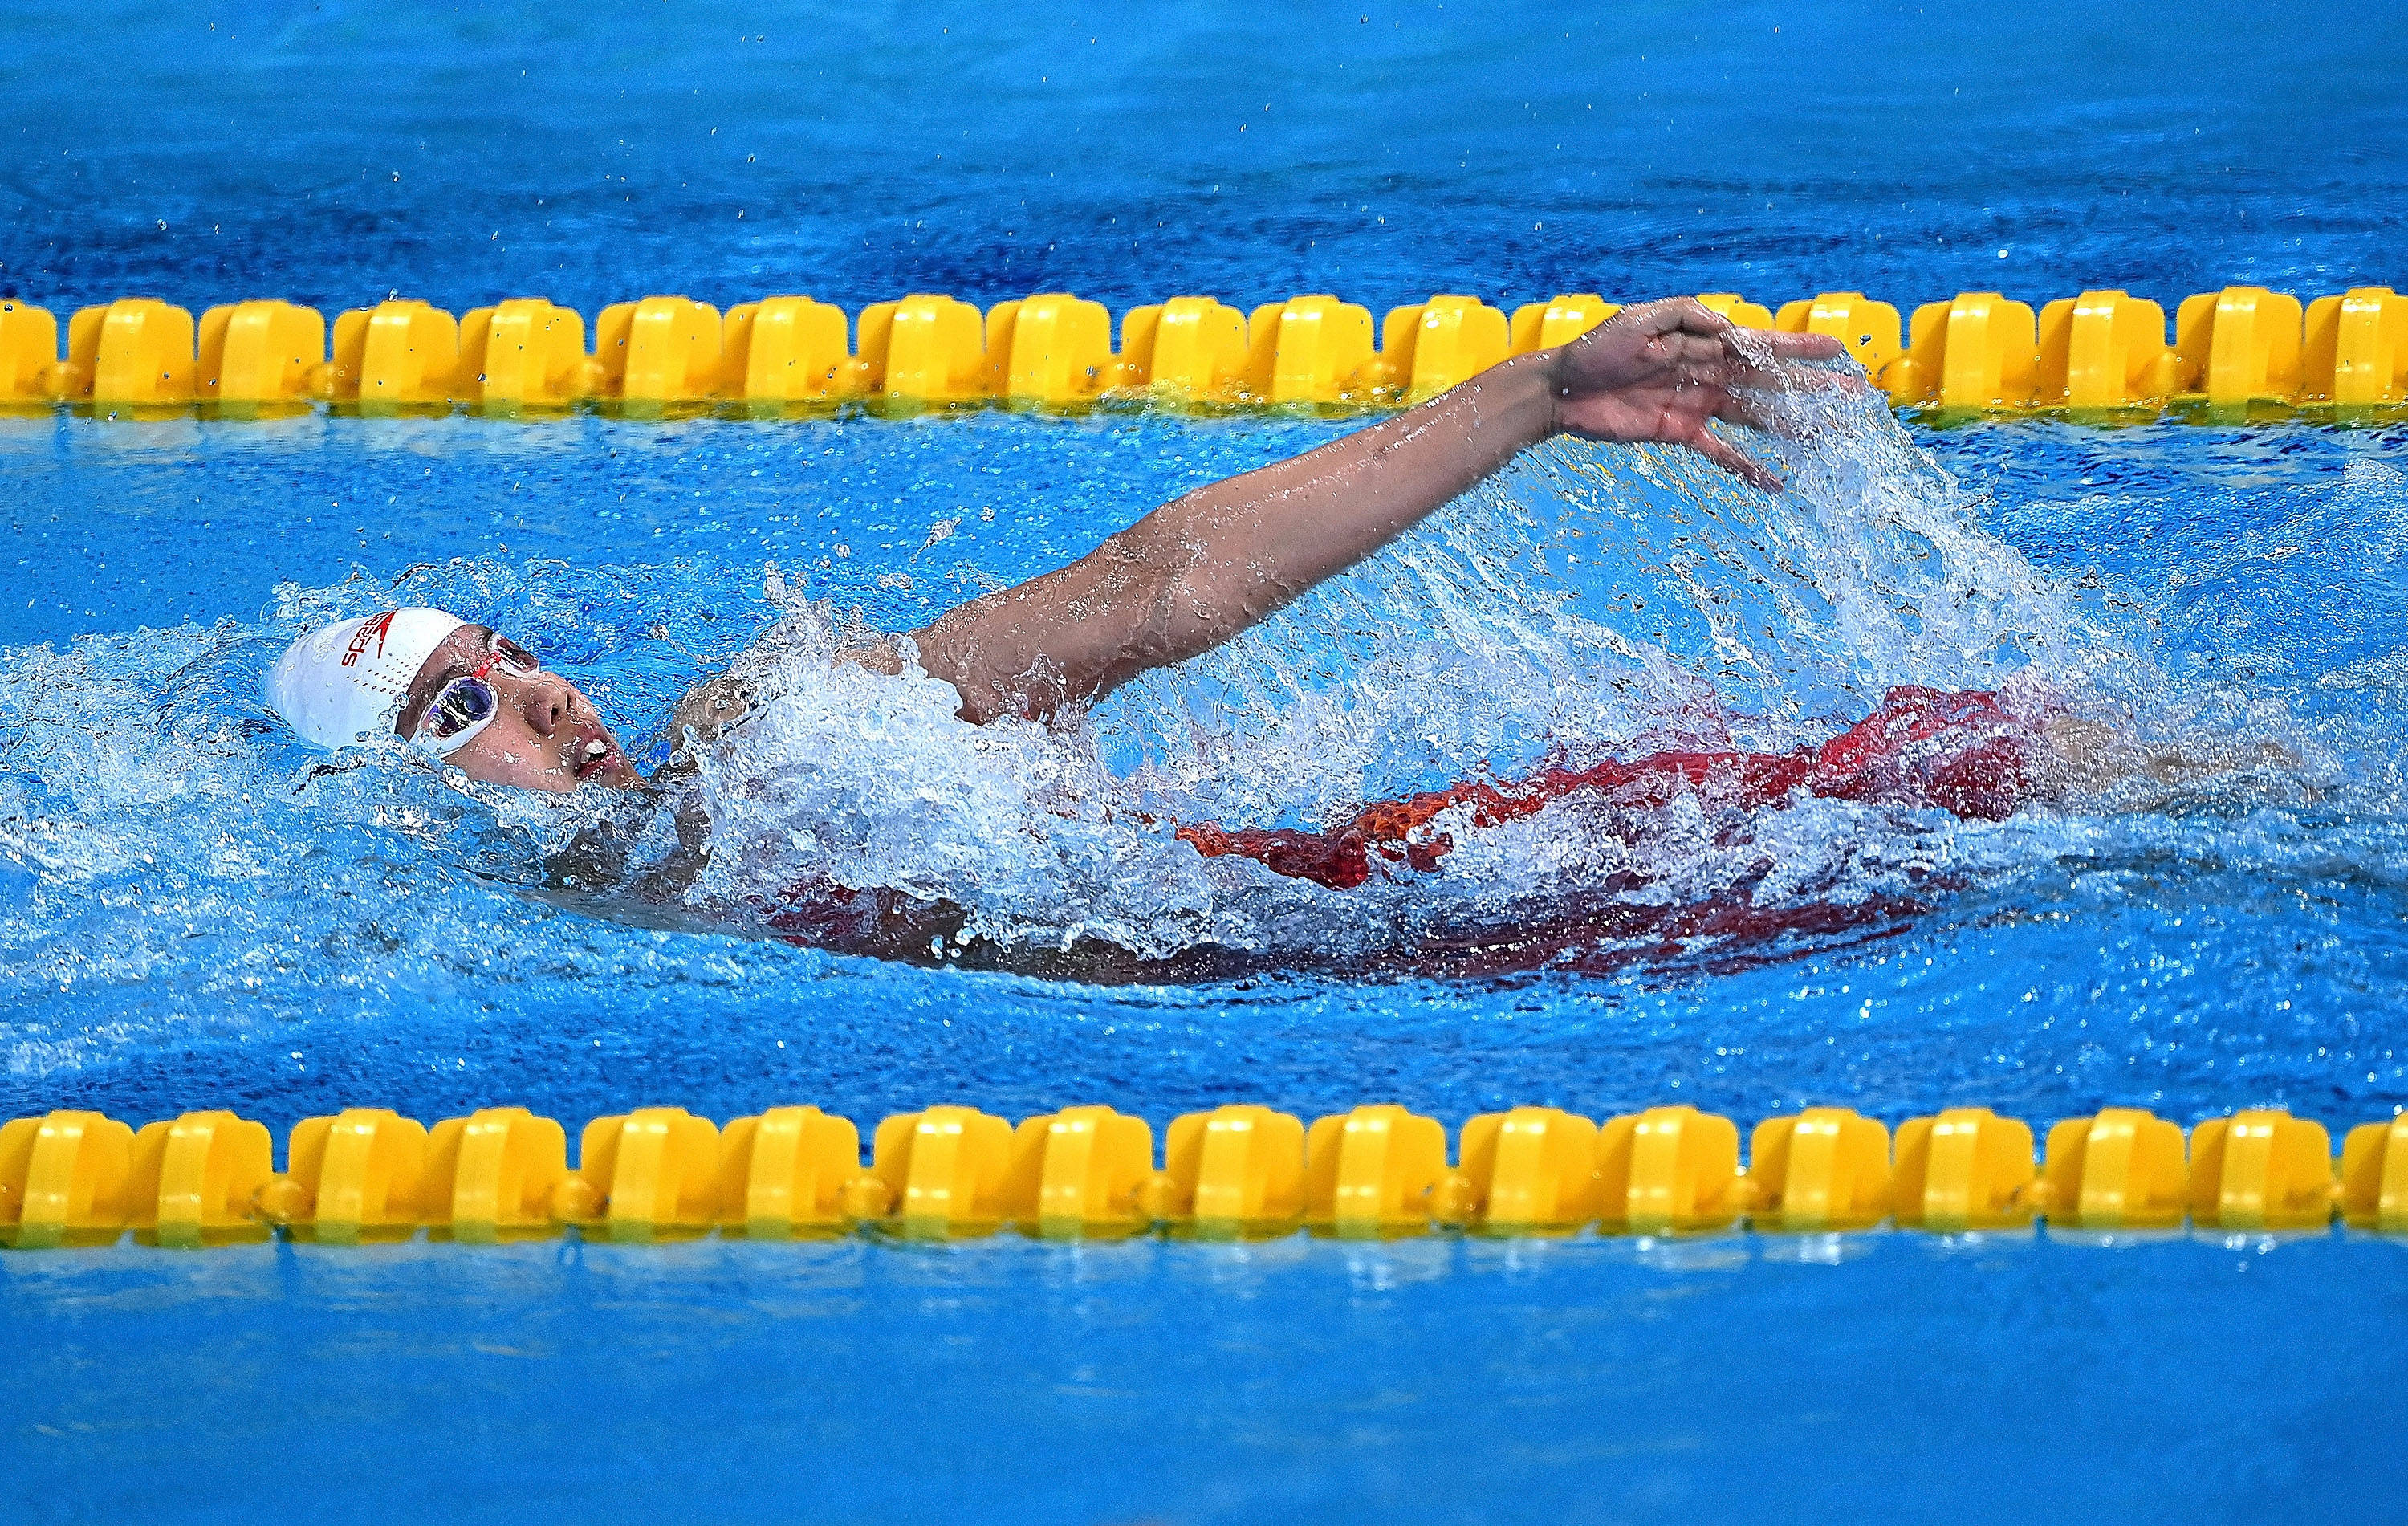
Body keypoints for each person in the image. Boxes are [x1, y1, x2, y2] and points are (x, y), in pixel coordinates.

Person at [264, 299, 2149, 917]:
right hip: (1329, 943)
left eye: (505, 654)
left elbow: (1143, 595)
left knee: (1980, 774)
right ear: (396, 802)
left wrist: (1528, 400)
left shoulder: (755, 740)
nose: (547, 700)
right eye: (463, 715)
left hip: (1351, 914)